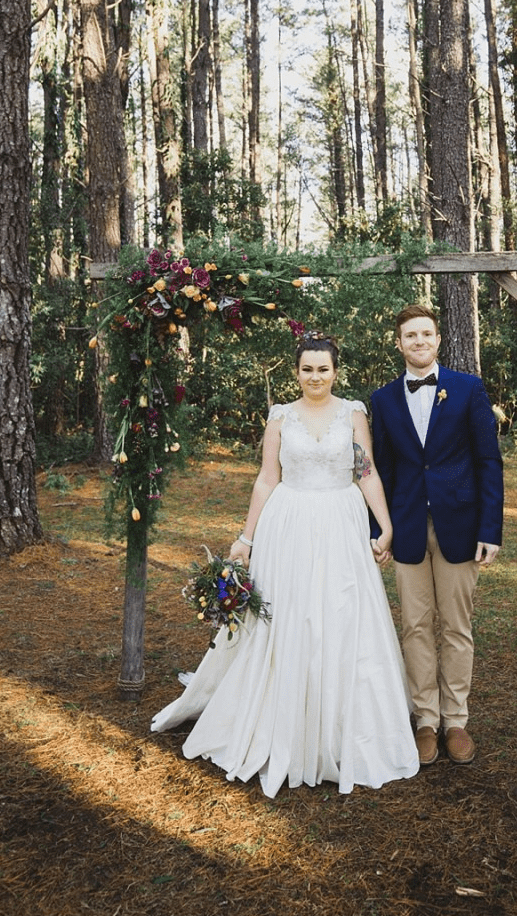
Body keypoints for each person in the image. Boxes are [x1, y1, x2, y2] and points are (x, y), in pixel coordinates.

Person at [151, 332, 419, 797]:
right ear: (296, 372)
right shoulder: (280, 417)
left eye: (323, 369)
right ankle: (280, 718)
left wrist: (385, 525)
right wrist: (245, 538)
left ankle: (341, 727)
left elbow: (366, 471)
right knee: (288, 617)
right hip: (289, 524)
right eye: (307, 369)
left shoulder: (353, 412)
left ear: (336, 371)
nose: (316, 377)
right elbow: (267, 478)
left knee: (340, 614)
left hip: (340, 520)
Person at [370, 304, 503, 768]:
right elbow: (380, 470)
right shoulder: (383, 400)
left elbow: (489, 461)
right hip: (406, 526)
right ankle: (425, 720)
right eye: (410, 335)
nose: (419, 341)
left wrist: (490, 529)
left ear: (438, 340)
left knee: (457, 625)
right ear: (399, 343)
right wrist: (377, 530)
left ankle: (456, 720)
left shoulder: (467, 389)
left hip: (461, 525)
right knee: (415, 625)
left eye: (426, 333)